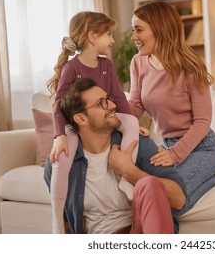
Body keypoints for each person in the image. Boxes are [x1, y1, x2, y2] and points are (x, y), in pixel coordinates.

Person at [44, 78, 186, 234]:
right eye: (101, 103)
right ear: (81, 118)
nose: (112, 106)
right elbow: (66, 222)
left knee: (149, 184)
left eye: (108, 99)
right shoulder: (61, 163)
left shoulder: (137, 144)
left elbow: (179, 199)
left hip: (140, 233)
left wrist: (130, 171)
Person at [46, 11, 141, 233]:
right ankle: (57, 220)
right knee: (60, 159)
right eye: (108, 34)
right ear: (92, 37)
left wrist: (129, 124)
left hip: (105, 119)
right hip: (75, 124)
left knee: (134, 124)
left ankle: (125, 177)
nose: (113, 40)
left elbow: (118, 98)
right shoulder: (72, 68)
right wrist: (59, 136)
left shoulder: (106, 65)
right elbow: (58, 105)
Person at [129, 1, 215, 216]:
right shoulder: (138, 62)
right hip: (166, 146)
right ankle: (212, 176)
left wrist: (175, 155)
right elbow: (136, 105)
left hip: (201, 147)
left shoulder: (191, 67)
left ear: (160, 29)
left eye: (139, 29)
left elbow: (202, 121)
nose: (133, 37)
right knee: (150, 196)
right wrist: (116, 118)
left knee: (169, 201)